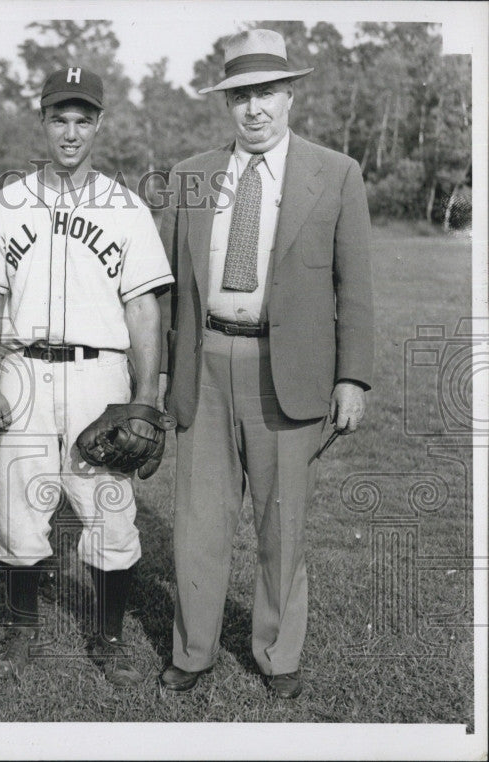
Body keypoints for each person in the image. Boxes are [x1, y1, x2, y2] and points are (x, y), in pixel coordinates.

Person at [157, 28, 373, 699]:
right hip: (206, 365)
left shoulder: (335, 173)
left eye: (267, 92)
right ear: (227, 104)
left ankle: (279, 655)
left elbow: (355, 286)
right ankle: (194, 652)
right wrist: (161, 375)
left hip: (290, 371)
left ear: (290, 97)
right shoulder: (190, 176)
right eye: (241, 95)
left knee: (282, 525)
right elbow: (169, 289)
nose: (255, 108)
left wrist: (352, 376)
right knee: (198, 521)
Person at [0, 67, 174, 686]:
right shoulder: (7, 204)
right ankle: (22, 629)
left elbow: (144, 307)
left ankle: (108, 638)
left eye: (83, 119)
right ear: (43, 120)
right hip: (22, 370)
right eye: (60, 117)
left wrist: (144, 397)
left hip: (98, 374)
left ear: (99, 125)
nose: (71, 131)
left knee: (109, 509)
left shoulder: (126, 207)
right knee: (15, 509)